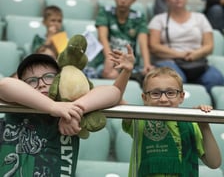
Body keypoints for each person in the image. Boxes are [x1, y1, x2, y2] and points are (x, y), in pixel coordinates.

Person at [0, 45, 135, 176]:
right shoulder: (18, 106)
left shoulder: (71, 106)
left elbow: (113, 92)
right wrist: (54, 107)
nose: (41, 84)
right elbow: (5, 85)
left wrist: (73, 110)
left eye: (48, 77)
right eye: (32, 80)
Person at [122, 67, 221, 177]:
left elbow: (214, 163)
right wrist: (126, 71)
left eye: (170, 93)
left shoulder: (192, 124)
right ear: (145, 98)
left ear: (181, 96)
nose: (163, 99)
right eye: (155, 93)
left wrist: (204, 125)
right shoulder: (138, 120)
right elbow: (117, 98)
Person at [148, 0, 224, 93]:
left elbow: (209, 46)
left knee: (215, 78)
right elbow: (154, 46)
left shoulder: (200, 18)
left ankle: (206, 106)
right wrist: (180, 54)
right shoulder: (158, 19)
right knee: (175, 79)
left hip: (197, 61)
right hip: (170, 61)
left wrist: (196, 54)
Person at [89, 0, 153, 81]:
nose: (123, 1)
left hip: (128, 62)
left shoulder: (139, 17)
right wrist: (109, 58)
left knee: (149, 77)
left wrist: (147, 64)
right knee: (109, 74)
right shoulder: (105, 11)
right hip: (106, 60)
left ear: (134, 0)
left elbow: (143, 43)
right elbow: (102, 37)